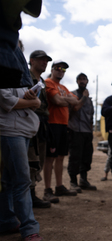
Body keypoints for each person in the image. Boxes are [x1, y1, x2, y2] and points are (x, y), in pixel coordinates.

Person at [0, 65, 44, 241]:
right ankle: (29, 228)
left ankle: (7, 221)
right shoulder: (4, 71)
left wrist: (32, 99)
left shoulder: (18, 74)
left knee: (10, 179)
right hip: (10, 130)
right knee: (22, 179)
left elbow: (34, 102)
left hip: (23, 130)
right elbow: (5, 101)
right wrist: (32, 103)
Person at [43, 60, 86, 201]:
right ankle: (47, 190)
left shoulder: (63, 87)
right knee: (50, 158)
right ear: (52, 69)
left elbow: (77, 102)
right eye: (58, 68)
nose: (61, 71)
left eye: (63, 69)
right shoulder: (48, 82)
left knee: (60, 157)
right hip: (52, 124)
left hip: (63, 125)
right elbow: (58, 101)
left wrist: (65, 99)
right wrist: (66, 99)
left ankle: (59, 186)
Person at [28, 50, 53, 208]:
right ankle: (28, 196)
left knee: (39, 159)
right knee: (30, 159)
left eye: (46, 60)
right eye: (41, 60)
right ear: (31, 60)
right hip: (29, 122)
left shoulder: (42, 81)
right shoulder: (25, 77)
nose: (44, 63)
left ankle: (32, 193)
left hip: (42, 124)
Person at [67, 73, 96, 193]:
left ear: (87, 81)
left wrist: (91, 131)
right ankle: (73, 182)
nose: (82, 81)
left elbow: (91, 117)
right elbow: (75, 108)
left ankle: (83, 180)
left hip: (86, 132)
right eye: (80, 79)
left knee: (86, 157)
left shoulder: (89, 100)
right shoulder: (72, 94)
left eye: (84, 79)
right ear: (77, 81)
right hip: (75, 131)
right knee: (75, 157)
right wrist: (83, 97)